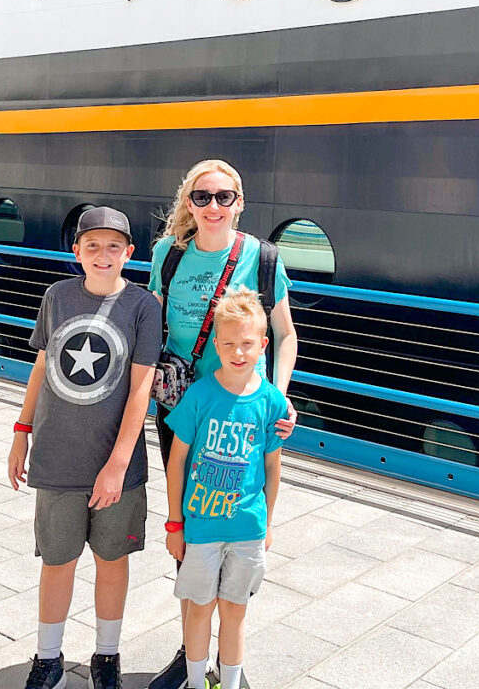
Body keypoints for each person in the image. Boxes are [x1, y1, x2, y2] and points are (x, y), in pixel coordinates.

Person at [147, 159, 298, 689]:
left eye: (224, 197)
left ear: (240, 201)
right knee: (189, 527)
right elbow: (152, 326)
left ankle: (226, 659)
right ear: (189, 203)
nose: (214, 207)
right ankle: (189, 652)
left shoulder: (263, 257)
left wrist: (277, 396)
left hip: (244, 409)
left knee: (236, 511)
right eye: (203, 197)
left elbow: (285, 332)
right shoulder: (168, 255)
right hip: (181, 407)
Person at [7, 206, 162, 689]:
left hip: (117, 466)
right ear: (76, 251)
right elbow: (40, 365)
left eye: (113, 246)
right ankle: (47, 658)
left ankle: (107, 656)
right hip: (56, 457)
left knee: (112, 562)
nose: (102, 254)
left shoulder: (143, 306)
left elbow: (141, 389)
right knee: (57, 561)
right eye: (91, 245)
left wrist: (117, 464)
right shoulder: (56, 296)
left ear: (129, 253)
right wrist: (21, 430)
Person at [164, 287, 286, 689]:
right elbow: (177, 459)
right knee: (199, 610)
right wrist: (175, 523)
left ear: (263, 345)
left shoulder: (270, 401)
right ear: (215, 344)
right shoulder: (200, 395)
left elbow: (272, 465)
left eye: (248, 344)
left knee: (235, 613)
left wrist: (268, 523)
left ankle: (229, 683)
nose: (238, 352)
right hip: (201, 528)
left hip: (247, 529)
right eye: (229, 343)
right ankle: (197, 682)